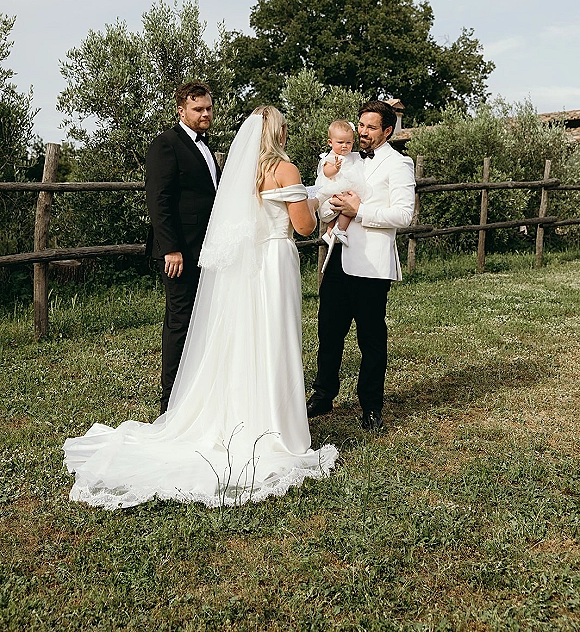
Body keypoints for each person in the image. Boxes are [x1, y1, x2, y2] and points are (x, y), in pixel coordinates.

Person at [63, 107, 338, 509]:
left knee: (247, 339)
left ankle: (242, 414)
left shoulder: (242, 174)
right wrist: (324, 199)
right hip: (276, 262)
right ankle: (275, 426)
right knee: (275, 337)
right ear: (278, 132)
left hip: (249, 269)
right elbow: (303, 227)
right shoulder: (286, 169)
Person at [307, 100, 415, 431]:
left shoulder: (399, 164)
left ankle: (371, 406)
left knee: (370, 339)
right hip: (338, 256)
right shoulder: (342, 159)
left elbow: (404, 215)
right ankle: (323, 395)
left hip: (372, 265)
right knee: (328, 330)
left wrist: (360, 211)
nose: (363, 132)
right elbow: (323, 203)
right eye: (361, 125)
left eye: (370, 127)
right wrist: (331, 208)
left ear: (387, 130)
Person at [145, 81, 220, 414]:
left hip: (208, 251)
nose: (205, 114)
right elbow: (158, 201)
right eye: (197, 109)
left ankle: (197, 394)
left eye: (208, 108)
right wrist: (170, 248)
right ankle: (170, 403)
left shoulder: (207, 146)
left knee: (203, 321)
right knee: (179, 323)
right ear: (181, 110)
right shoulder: (166, 145)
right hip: (181, 253)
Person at [314, 120, 370, 248]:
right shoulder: (330, 157)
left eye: (348, 142)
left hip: (347, 188)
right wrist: (336, 168)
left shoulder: (354, 156)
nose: (344, 146)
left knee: (349, 206)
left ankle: (333, 232)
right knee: (344, 204)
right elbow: (327, 172)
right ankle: (338, 229)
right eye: (340, 142)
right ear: (330, 142)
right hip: (334, 188)